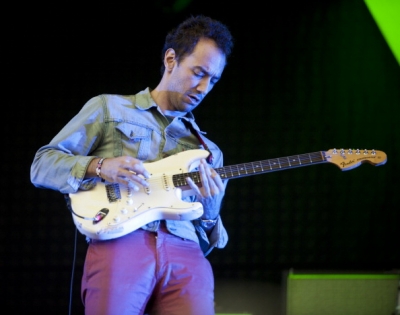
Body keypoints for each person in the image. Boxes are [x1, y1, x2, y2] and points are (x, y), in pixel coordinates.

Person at [30, 15, 234, 315]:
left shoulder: (209, 152)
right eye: (198, 73)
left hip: (186, 251)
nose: (203, 87)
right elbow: (41, 165)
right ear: (170, 59)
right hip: (120, 241)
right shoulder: (109, 108)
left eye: (212, 80)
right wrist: (100, 166)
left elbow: (207, 240)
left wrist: (211, 208)